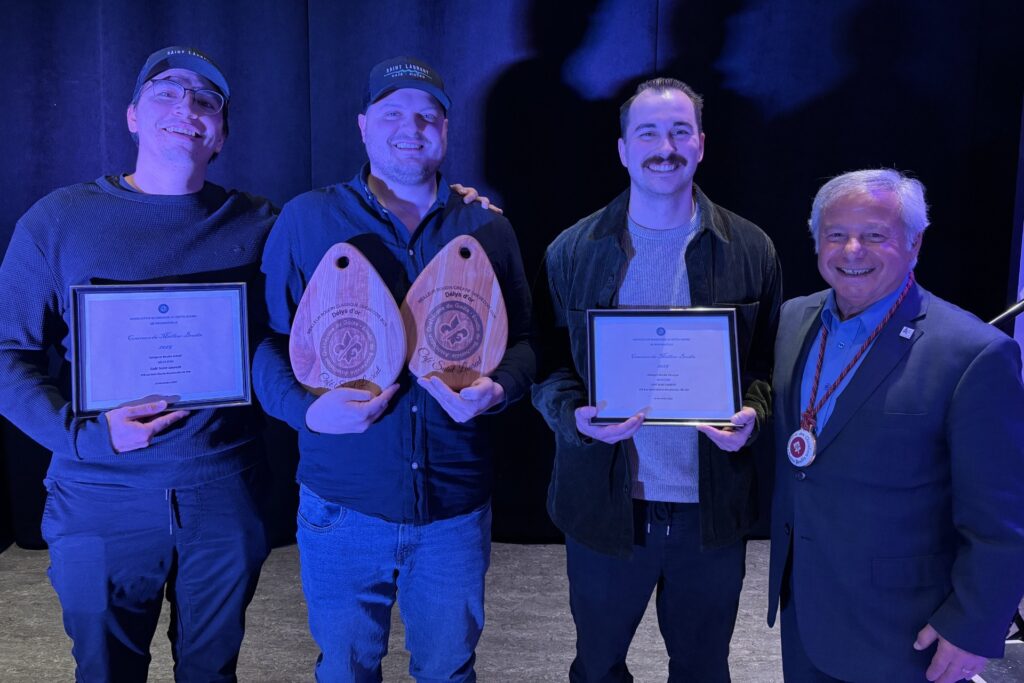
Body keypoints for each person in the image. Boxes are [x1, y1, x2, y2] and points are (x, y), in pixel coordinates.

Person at [252, 56, 533, 682]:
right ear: (363, 125)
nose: (412, 128)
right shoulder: (306, 220)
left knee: (448, 670)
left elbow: (527, 344)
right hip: (342, 504)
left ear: (446, 129)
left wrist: (500, 390)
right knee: (346, 669)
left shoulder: (486, 227)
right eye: (393, 114)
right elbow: (265, 345)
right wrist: (305, 410)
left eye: (428, 115)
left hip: (453, 509)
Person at [0, 47, 276, 681]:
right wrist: (85, 435)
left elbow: (334, 297)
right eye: (167, 92)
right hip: (99, 492)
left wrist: (454, 209)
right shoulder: (58, 220)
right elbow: (8, 353)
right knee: (106, 672)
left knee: (212, 672)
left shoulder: (260, 221)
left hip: (224, 491)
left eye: (207, 100)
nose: (187, 107)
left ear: (222, 134)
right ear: (131, 116)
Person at [532, 77, 782, 681]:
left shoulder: (752, 248)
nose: (663, 146)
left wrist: (752, 416)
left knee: (702, 668)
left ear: (700, 144)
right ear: (622, 149)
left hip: (711, 510)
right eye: (647, 132)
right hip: (605, 506)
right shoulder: (572, 250)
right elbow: (546, 367)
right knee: (597, 667)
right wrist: (573, 417)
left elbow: (771, 366)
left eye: (678, 131)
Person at [767, 169, 1024, 682]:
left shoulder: (974, 353)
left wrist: (975, 625)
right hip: (806, 610)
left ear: (915, 243)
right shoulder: (793, 320)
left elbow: (1004, 518)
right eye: (836, 234)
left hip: (906, 633)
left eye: (876, 235)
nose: (852, 250)